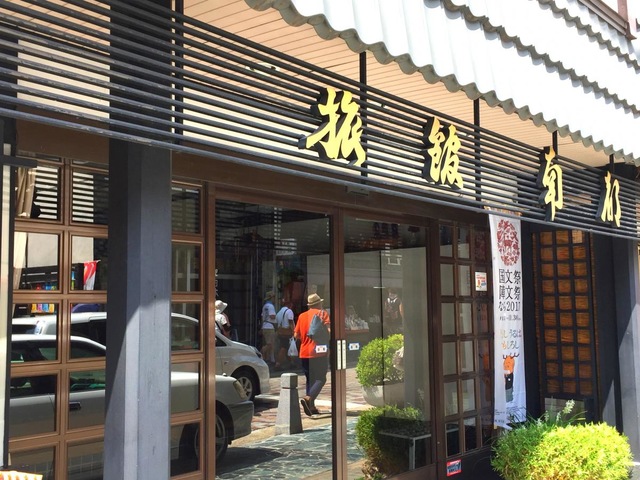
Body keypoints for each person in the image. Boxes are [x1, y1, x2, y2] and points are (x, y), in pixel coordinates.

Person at [294, 293, 330, 416]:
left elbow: (296, 335)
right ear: (319, 303)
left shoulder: (302, 316)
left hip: (304, 352)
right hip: (319, 351)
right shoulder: (322, 314)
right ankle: (309, 398)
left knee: (310, 379)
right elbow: (329, 331)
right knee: (321, 378)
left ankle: (311, 407)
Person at [275, 300, 295, 369]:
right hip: (287, 333)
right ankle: (278, 364)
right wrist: (294, 331)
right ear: (289, 305)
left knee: (287, 348)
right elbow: (290, 322)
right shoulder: (289, 311)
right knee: (283, 348)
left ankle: (292, 362)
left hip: (281, 332)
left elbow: (276, 323)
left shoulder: (278, 313)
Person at [260, 290, 277, 364]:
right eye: (274, 297)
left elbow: (262, 317)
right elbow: (272, 316)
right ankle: (260, 354)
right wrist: (276, 317)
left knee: (269, 343)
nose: (274, 299)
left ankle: (270, 359)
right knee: (270, 344)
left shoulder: (265, 306)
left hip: (265, 326)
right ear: (271, 298)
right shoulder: (271, 306)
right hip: (270, 327)